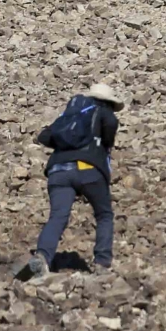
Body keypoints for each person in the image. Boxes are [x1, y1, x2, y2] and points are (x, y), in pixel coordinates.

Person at [20, 81, 123, 279]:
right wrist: (105, 143)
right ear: (109, 102)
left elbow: (45, 137)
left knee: (58, 216)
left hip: (58, 171)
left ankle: (41, 259)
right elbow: (111, 124)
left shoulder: (71, 115)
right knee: (104, 214)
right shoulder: (103, 111)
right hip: (89, 170)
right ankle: (102, 264)